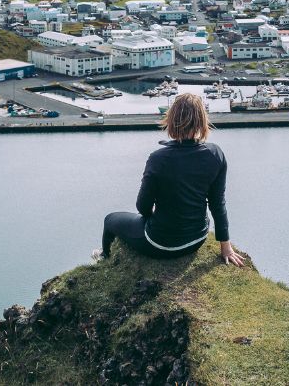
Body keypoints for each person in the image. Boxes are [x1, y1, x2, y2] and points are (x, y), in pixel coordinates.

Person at [97, 93, 245, 267]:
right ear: (202, 121)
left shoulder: (158, 158)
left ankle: (104, 259)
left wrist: (156, 217)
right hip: (197, 239)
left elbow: (142, 207)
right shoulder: (215, 154)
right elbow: (217, 203)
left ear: (171, 119)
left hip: (160, 244)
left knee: (109, 220)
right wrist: (225, 247)